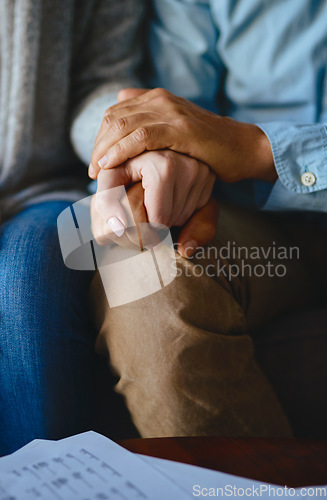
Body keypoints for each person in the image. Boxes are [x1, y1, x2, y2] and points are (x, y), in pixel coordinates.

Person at [89, 0, 327, 438]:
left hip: (262, 186)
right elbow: (178, 108)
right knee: (145, 277)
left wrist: (257, 149)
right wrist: (173, 168)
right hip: (261, 220)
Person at [0, 0, 219, 456]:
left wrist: (128, 143)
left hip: (47, 182)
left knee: (27, 277)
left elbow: (102, 83)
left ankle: (60, 481)